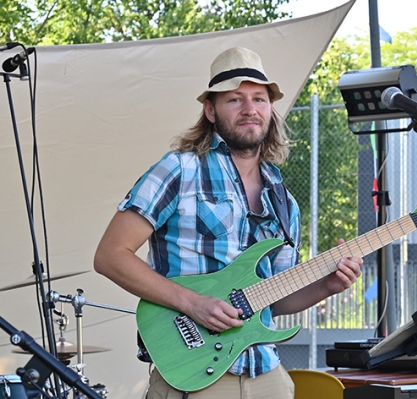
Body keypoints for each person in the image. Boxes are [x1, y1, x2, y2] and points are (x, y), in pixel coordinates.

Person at [93, 46, 363, 399]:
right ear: (210, 110)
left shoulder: (284, 201)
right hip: (194, 374)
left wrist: (327, 285)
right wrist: (192, 303)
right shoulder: (179, 169)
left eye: (259, 99)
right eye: (235, 99)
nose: (250, 109)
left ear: (270, 109)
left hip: (267, 374)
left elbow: (274, 299)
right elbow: (110, 255)